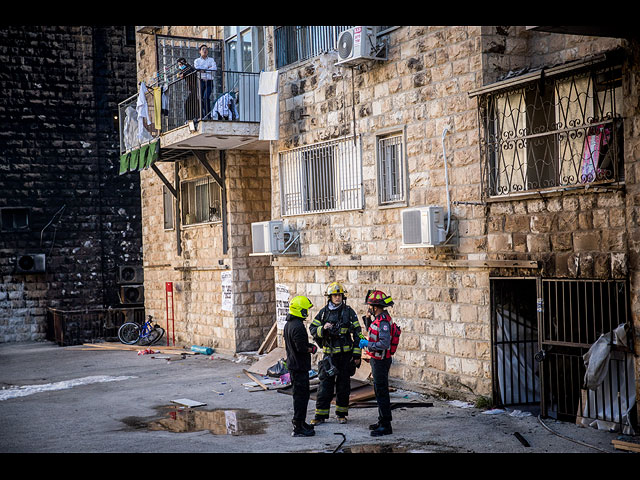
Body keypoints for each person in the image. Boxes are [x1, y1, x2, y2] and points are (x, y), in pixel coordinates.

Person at [309, 282, 363, 425]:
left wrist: (357, 355)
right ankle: (320, 415)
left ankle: (341, 414)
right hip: (329, 356)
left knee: (343, 386)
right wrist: (323, 328)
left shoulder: (349, 312)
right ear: (330, 297)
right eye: (334, 295)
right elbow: (312, 328)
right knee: (325, 386)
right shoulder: (324, 312)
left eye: (339, 295)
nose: (337, 298)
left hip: (345, 356)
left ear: (342, 297)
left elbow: (359, 334)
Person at [359, 290, 395, 436]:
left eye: (370, 306)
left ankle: (386, 426)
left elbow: (384, 343)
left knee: (382, 392)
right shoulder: (378, 318)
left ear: (375, 306)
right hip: (377, 359)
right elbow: (373, 332)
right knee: (379, 391)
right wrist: (367, 321)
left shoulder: (384, 321)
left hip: (381, 360)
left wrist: (367, 344)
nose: (368, 308)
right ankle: (381, 420)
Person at [283, 295, 317, 437]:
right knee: (301, 397)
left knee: (300, 396)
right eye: (305, 310)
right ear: (299, 310)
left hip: (294, 365)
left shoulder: (289, 324)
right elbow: (301, 347)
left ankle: (301, 422)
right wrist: (312, 348)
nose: (306, 313)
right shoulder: (298, 326)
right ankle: (298, 427)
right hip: (299, 366)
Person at [193, 44, 217, 118]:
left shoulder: (211, 59)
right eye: (203, 49)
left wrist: (204, 69)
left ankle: (208, 115)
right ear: (200, 51)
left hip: (209, 81)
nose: (205, 50)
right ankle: (202, 115)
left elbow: (214, 68)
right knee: (201, 98)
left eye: (206, 49)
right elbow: (197, 68)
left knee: (206, 97)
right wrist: (208, 68)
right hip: (201, 81)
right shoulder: (197, 60)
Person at [176, 58, 198, 122]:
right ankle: (191, 118)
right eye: (179, 65)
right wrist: (180, 74)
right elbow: (180, 73)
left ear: (184, 63)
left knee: (190, 103)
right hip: (192, 89)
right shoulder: (184, 69)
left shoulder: (189, 68)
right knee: (190, 103)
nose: (180, 66)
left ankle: (193, 118)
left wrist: (183, 74)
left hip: (195, 89)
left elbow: (190, 70)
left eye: (180, 64)